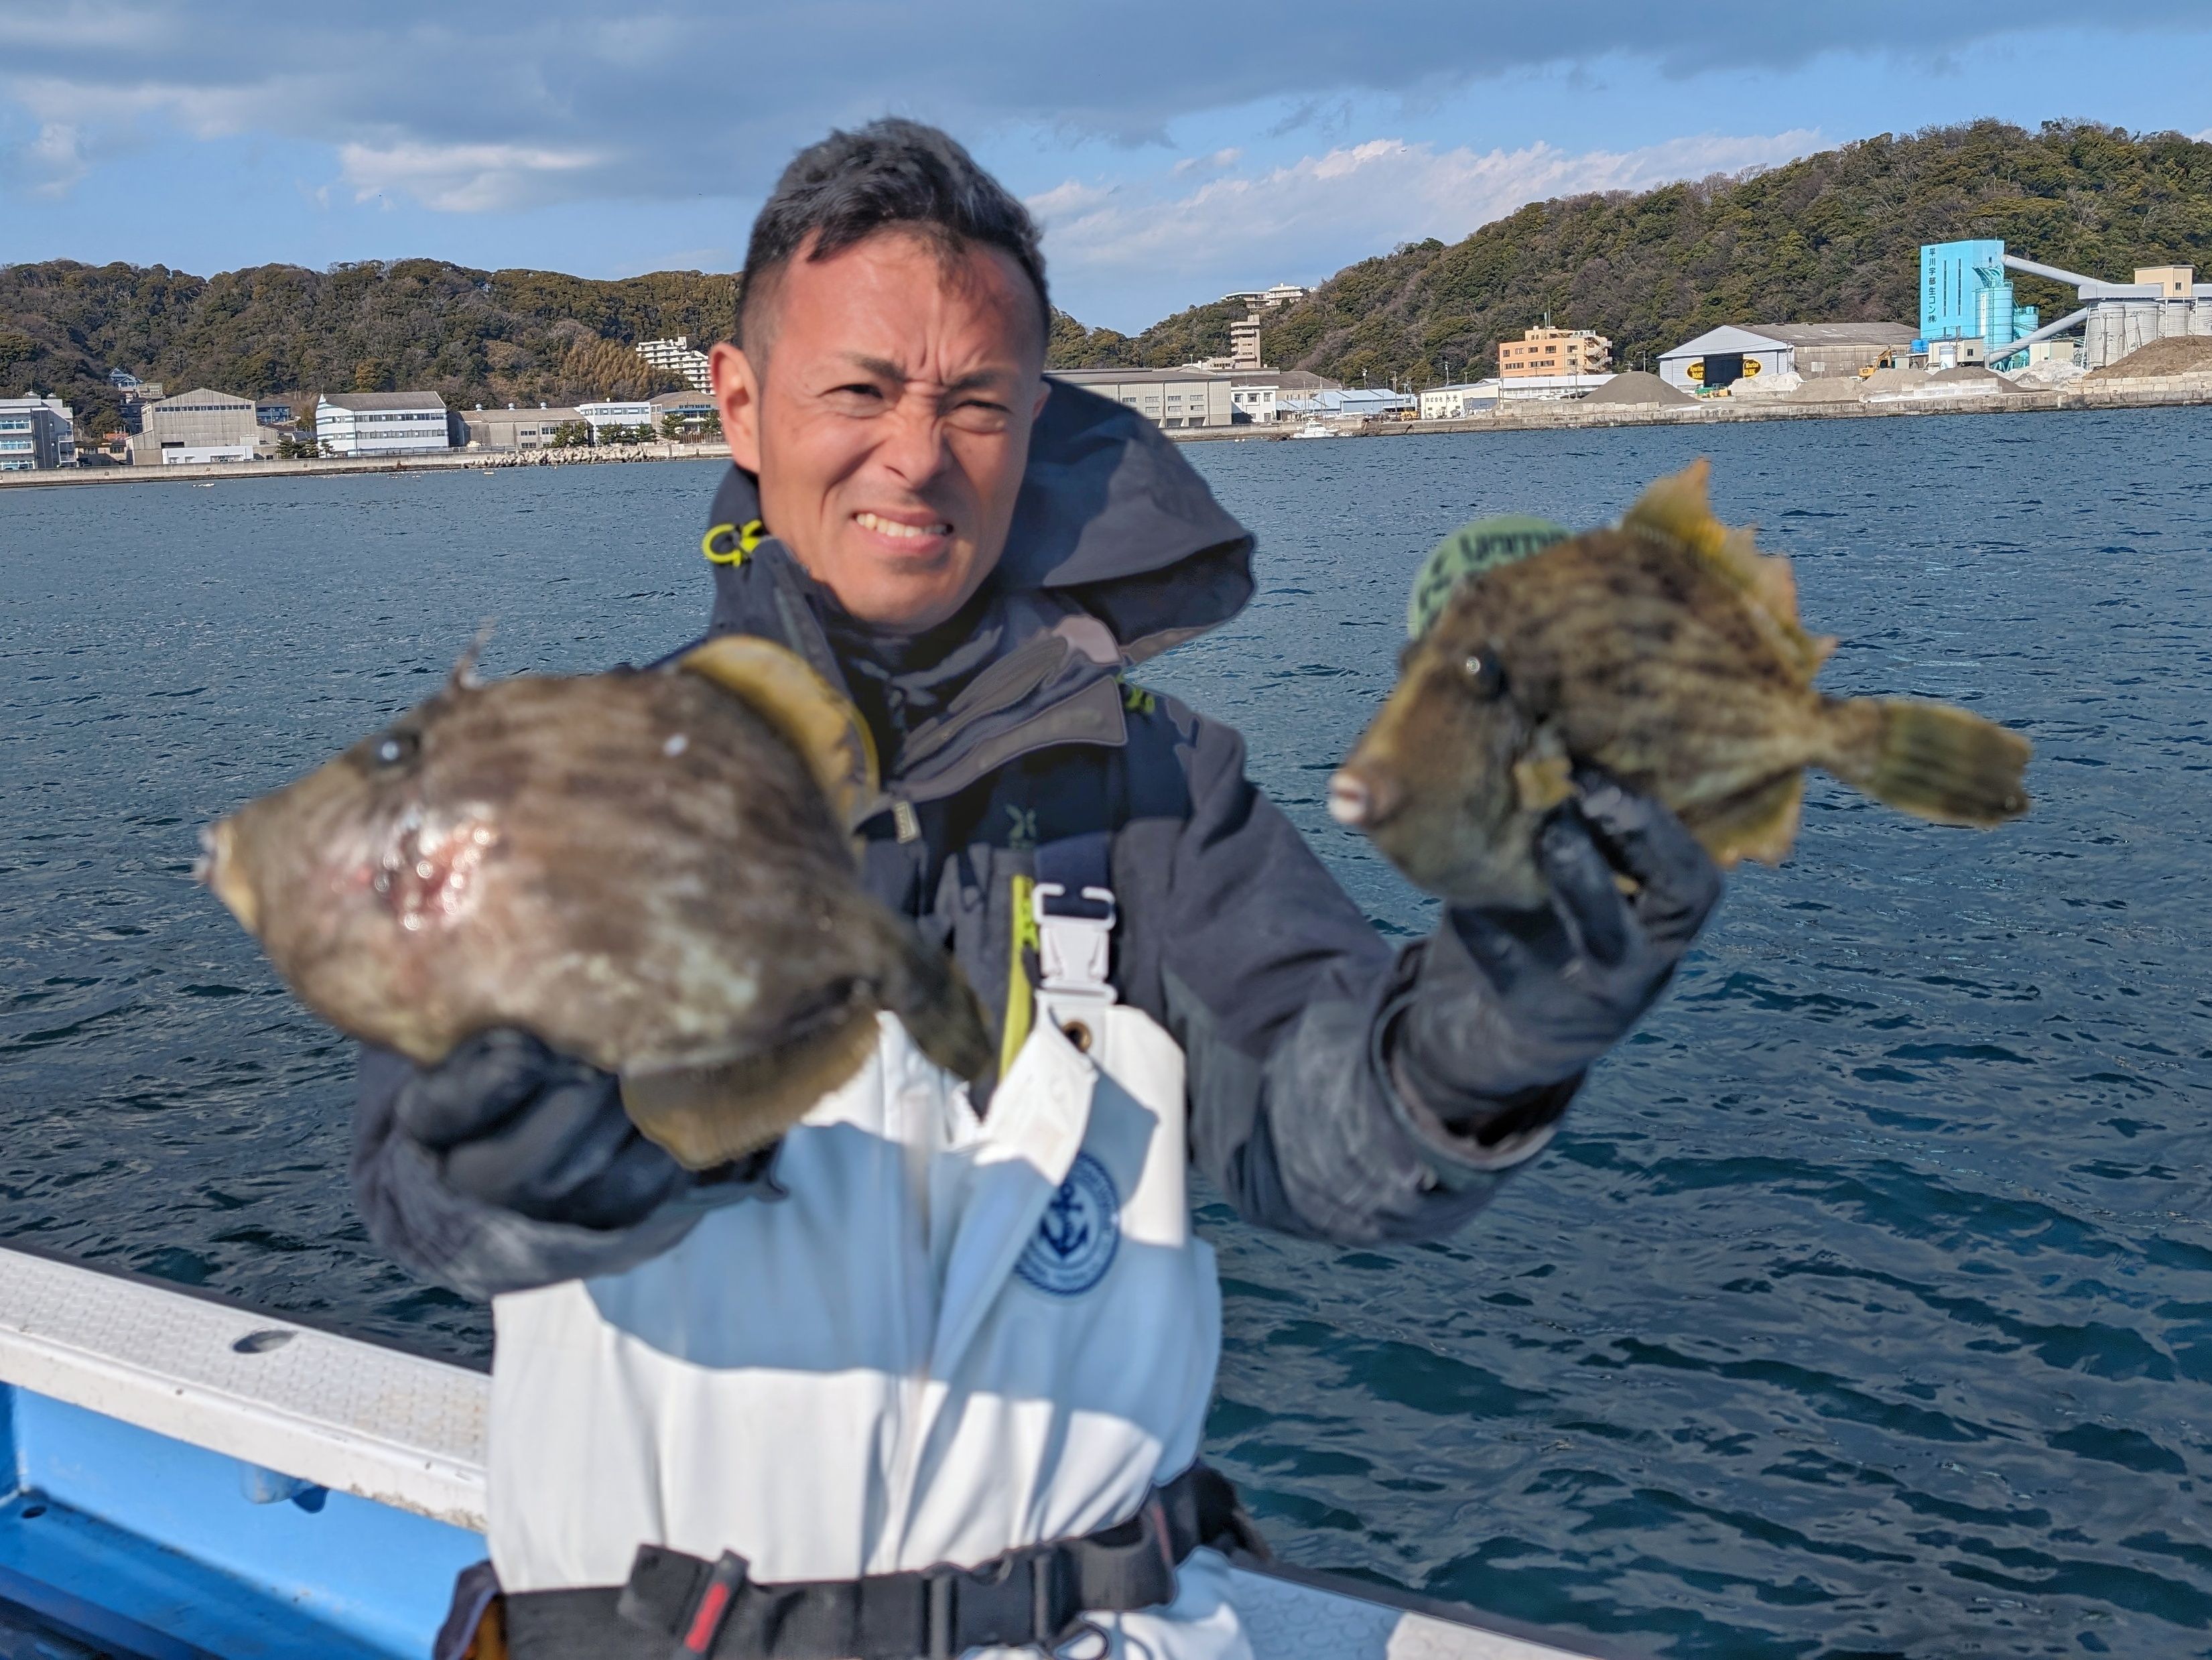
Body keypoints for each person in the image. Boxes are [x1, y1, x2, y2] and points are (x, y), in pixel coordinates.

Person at [356, 119, 1720, 1660]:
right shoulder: (570, 778)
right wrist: (535, 1153)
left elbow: (1324, 1144)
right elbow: (423, 1196)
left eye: (975, 404)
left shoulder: (1158, 786)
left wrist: (1499, 1026)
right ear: (739, 401)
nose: (916, 455)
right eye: (860, 390)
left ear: (1031, 422)